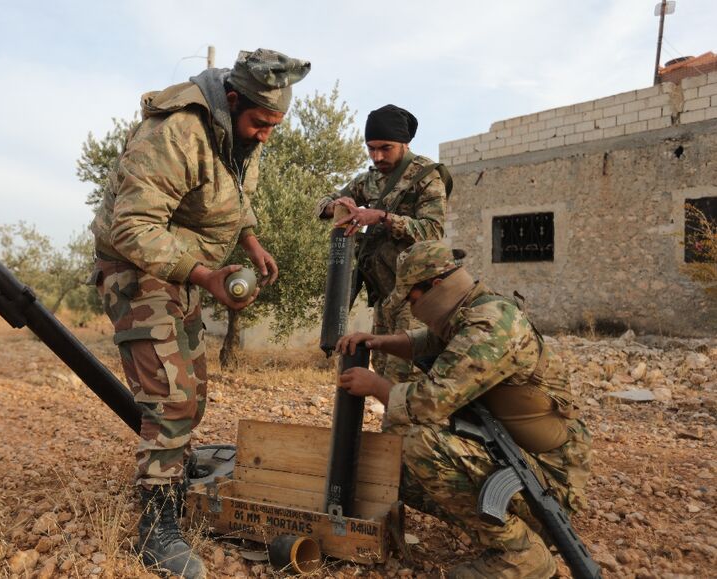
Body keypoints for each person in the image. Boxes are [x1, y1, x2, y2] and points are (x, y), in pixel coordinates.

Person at [90, 48, 310, 579]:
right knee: (171, 399)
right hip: (136, 268)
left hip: (180, 269)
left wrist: (251, 239)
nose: (265, 136)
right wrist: (208, 277)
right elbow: (132, 228)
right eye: (259, 123)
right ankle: (156, 529)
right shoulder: (175, 134)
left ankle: (170, 476)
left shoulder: (238, 134)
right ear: (232, 101)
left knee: (195, 396)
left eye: (274, 126)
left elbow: (236, 191)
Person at [336, 241, 592, 578]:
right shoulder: (471, 311)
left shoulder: (492, 325)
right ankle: (509, 531)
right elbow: (428, 341)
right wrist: (379, 341)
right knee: (398, 471)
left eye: (413, 299)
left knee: (420, 443)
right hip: (518, 458)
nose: (413, 309)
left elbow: (430, 402)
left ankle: (521, 553)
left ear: (437, 285)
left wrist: (376, 386)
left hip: (546, 480)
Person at [314, 104, 452, 384]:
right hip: (385, 296)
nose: (377, 156)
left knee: (406, 377)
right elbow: (322, 204)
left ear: (405, 143)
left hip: (417, 297)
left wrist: (382, 217)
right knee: (383, 371)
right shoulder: (371, 180)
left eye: (385, 148)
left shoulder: (426, 177)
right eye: (371, 148)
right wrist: (337, 205)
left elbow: (432, 231)